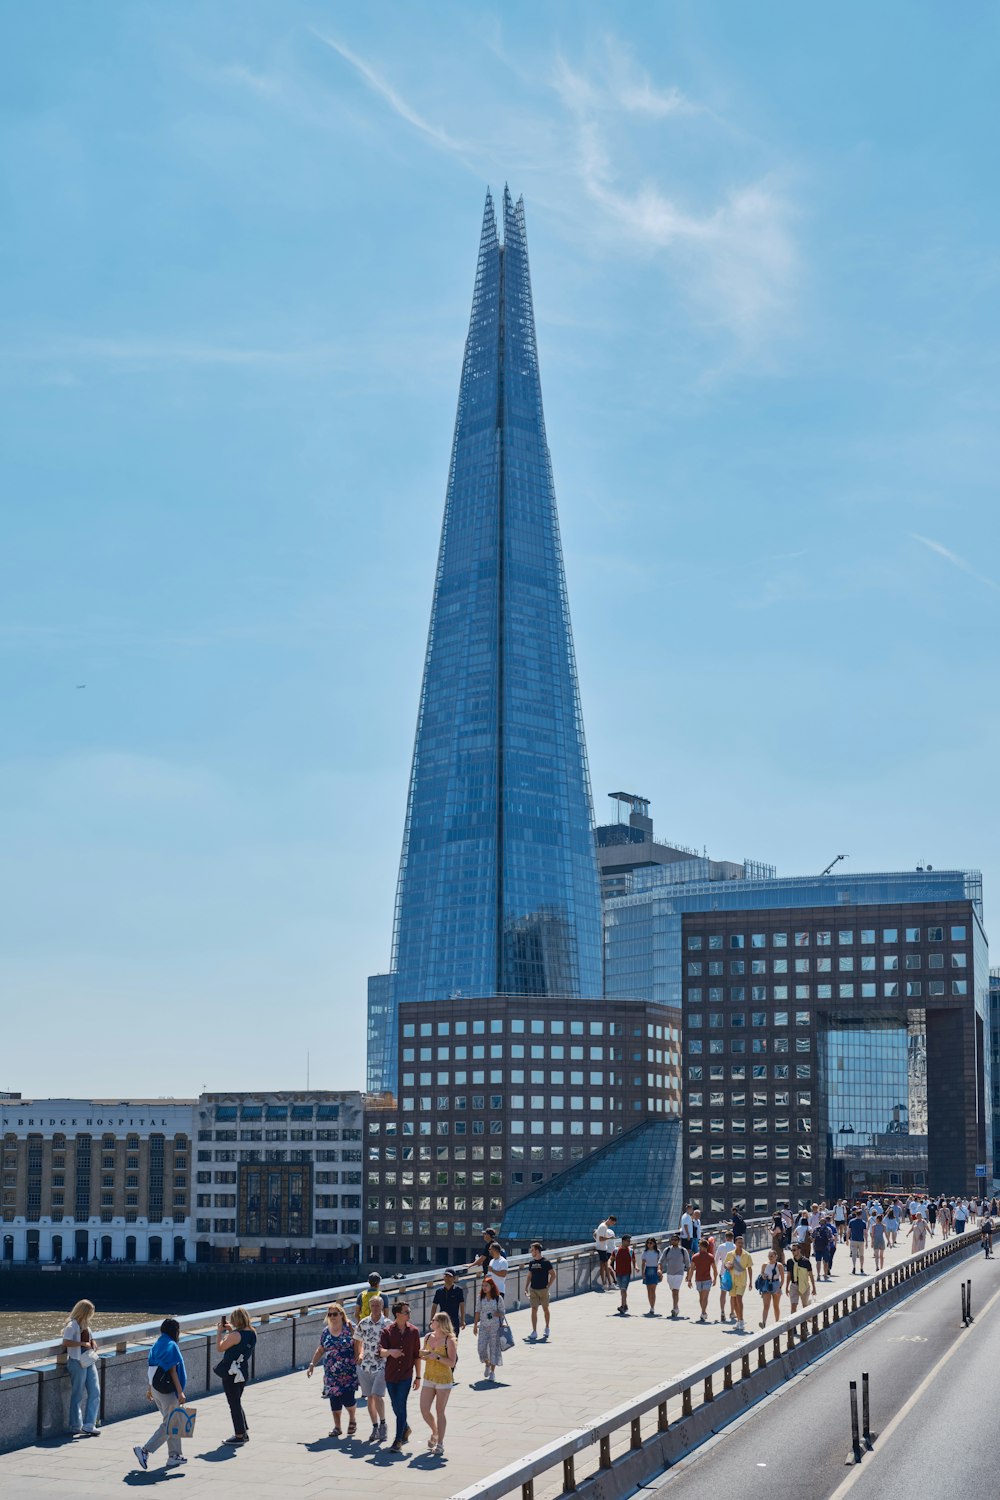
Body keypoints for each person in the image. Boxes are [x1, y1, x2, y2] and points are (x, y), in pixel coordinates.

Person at [133, 1317, 187, 1472]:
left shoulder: (157, 1344)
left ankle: (174, 1456)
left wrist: (149, 1388)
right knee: (170, 1424)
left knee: (173, 1421)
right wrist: (180, 1391)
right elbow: (172, 1370)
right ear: (175, 1331)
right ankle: (145, 1450)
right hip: (168, 1391)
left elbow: (152, 1368)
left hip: (157, 1389)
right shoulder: (171, 1345)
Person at [306, 1303, 358, 1438]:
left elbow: (359, 1342)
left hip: (348, 1372)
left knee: (348, 1400)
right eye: (330, 1315)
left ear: (341, 1314)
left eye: (335, 1314)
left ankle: (352, 1418)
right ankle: (337, 1427)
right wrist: (312, 1364)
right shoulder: (326, 1331)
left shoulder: (350, 1327)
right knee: (334, 1400)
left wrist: (360, 1357)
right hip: (331, 1373)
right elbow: (321, 1349)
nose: (332, 1317)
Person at [379, 1299, 421, 1451]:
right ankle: (406, 1428)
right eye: (406, 1312)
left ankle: (398, 1440)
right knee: (395, 1405)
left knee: (401, 1405)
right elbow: (381, 1351)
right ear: (398, 1314)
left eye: (409, 1312)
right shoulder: (387, 1331)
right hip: (390, 1375)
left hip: (406, 1375)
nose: (409, 1314)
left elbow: (417, 1355)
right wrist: (391, 1352)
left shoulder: (414, 1332)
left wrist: (418, 1377)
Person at [416, 1313, 457, 1458]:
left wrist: (437, 1357)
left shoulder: (449, 1340)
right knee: (424, 1409)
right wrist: (423, 1355)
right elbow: (424, 1356)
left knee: (440, 1411)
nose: (431, 1322)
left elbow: (452, 1362)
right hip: (429, 1376)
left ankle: (440, 1444)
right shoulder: (428, 1337)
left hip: (443, 1379)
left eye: (433, 1320)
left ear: (439, 1323)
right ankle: (435, 1431)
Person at [215, 1306, 256, 1445]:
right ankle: (243, 1431)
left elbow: (220, 1348)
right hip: (243, 1371)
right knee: (236, 1401)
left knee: (234, 1403)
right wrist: (231, 1331)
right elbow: (240, 1342)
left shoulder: (234, 1335)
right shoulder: (252, 1333)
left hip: (231, 1373)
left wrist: (219, 1332)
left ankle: (239, 1435)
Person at [62, 1298, 100, 1437]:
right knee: (77, 1393)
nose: (91, 1314)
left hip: (88, 1360)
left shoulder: (85, 1325)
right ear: (84, 1312)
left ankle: (90, 1424)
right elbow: (65, 1342)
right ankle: (76, 1425)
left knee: (95, 1391)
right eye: (90, 1312)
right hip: (77, 1361)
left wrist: (93, 1343)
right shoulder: (72, 1325)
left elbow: (90, 1337)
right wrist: (83, 1344)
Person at [355, 1295, 389, 1443]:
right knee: (369, 1397)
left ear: (382, 1306)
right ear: (369, 1307)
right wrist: (359, 1355)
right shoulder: (363, 1323)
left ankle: (383, 1423)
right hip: (365, 1365)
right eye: (373, 1306)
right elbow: (357, 1340)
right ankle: (374, 1426)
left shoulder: (388, 1324)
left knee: (377, 1395)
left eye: (378, 1305)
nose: (375, 1308)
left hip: (381, 1364)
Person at [474, 1276, 505, 1382]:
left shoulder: (498, 1298)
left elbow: (502, 1312)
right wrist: (475, 1326)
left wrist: (498, 1314)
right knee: (481, 1349)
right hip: (483, 1326)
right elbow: (477, 1311)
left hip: (495, 1327)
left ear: (491, 1286)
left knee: (493, 1349)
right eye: (483, 1286)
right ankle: (487, 1364)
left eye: (486, 1286)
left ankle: (492, 1372)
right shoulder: (480, 1298)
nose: (484, 1288)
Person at [723, 1236, 753, 1334]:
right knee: (734, 1300)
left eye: (742, 1243)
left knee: (739, 1298)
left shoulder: (747, 1255)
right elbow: (725, 1264)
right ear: (735, 1243)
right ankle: (738, 1319)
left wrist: (751, 1282)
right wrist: (728, 1266)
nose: (740, 1245)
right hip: (732, 1280)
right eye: (739, 1243)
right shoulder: (730, 1254)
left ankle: (741, 1320)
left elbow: (749, 1268)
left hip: (742, 1280)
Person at [526, 1243, 555, 1340]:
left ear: (537, 1251)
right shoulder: (531, 1263)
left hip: (543, 1290)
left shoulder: (546, 1262)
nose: (531, 1251)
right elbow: (529, 1275)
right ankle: (534, 1331)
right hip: (533, 1289)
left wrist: (548, 1286)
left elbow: (553, 1275)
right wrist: (526, 1287)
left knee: (545, 1309)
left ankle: (547, 1327)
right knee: (534, 1309)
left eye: (532, 1250)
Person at [660, 1233, 691, 1319]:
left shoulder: (683, 1250)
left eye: (675, 1240)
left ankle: (675, 1308)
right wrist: (659, 1269)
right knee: (672, 1290)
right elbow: (661, 1261)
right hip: (669, 1273)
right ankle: (676, 1307)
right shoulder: (667, 1250)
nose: (673, 1241)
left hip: (679, 1273)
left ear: (678, 1241)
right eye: (672, 1240)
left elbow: (688, 1264)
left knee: (675, 1290)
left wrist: (688, 1275)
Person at [687, 1237, 716, 1323]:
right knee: (703, 1297)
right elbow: (715, 1269)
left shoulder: (695, 1256)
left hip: (699, 1279)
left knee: (703, 1297)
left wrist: (689, 1280)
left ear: (702, 1246)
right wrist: (715, 1279)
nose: (699, 1247)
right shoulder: (710, 1256)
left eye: (699, 1246)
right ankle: (703, 1311)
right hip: (706, 1279)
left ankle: (703, 1312)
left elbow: (691, 1269)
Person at [431, 1270, 466, 1340]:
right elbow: (434, 1306)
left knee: (453, 1340)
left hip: (454, 1319)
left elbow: (462, 1305)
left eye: (450, 1276)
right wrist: (432, 1320)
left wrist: (462, 1320)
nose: (447, 1278)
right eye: (446, 1276)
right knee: (442, 1341)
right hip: (442, 1320)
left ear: (454, 1278)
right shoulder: (439, 1291)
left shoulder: (458, 1290)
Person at [757, 1249, 784, 1328]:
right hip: (766, 1284)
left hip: (776, 1284)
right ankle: (763, 1323)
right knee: (766, 1305)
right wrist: (763, 1275)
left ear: (776, 1256)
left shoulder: (779, 1265)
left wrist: (779, 1288)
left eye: (772, 1256)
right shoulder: (765, 1264)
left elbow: (782, 1279)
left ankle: (777, 1322)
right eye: (769, 1256)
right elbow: (761, 1272)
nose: (770, 1257)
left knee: (776, 1305)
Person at [785, 1244, 816, 1311]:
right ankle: (793, 1321)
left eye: (794, 1250)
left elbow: (811, 1275)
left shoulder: (806, 1261)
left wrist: (814, 1288)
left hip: (804, 1285)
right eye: (791, 1250)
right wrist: (787, 1287)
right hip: (794, 1285)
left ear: (799, 1250)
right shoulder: (789, 1262)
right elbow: (789, 1275)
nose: (793, 1252)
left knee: (805, 1306)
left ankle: (805, 1321)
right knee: (793, 1305)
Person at [715, 1228, 736, 1323]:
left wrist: (715, 1272)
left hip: (723, 1273)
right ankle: (732, 1312)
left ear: (725, 1237)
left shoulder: (721, 1246)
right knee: (733, 1294)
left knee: (723, 1293)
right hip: (733, 1273)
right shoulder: (735, 1247)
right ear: (732, 1238)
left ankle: (722, 1311)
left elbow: (715, 1260)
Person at [638, 1237, 663, 1315]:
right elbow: (643, 1263)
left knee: (653, 1289)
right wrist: (642, 1273)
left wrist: (660, 1271)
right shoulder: (645, 1252)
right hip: (648, 1270)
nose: (649, 1244)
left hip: (655, 1270)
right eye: (648, 1243)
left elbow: (660, 1262)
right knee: (649, 1290)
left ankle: (652, 1306)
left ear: (654, 1243)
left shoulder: (658, 1252)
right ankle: (651, 1306)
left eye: (651, 1243)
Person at [594, 1215, 618, 1289]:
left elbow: (597, 1236)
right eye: (613, 1223)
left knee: (603, 1266)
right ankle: (610, 1284)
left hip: (603, 1248)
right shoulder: (603, 1227)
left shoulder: (603, 1226)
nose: (612, 1225)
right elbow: (601, 1239)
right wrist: (610, 1238)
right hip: (602, 1248)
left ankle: (605, 1284)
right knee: (606, 1266)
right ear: (610, 1220)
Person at [813, 1217, 836, 1282]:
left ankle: (818, 1275)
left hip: (817, 1247)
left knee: (818, 1262)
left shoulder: (816, 1229)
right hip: (826, 1247)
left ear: (819, 1223)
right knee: (825, 1262)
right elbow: (831, 1238)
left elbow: (812, 1237)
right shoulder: (828, 1229)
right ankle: (825, 1274)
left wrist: (816, 1242)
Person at [847, 1207, 868, 1273]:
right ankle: (861, 1267)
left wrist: (847, 1239)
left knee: (854, 1254)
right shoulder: (863, 1223)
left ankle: (854, 1267)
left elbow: (849, 1231)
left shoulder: (851, 1221)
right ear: (861, 1214)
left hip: (853, 1239)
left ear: (855, 1214)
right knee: (861, 1255)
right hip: (861, 1240)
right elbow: (865, 1233)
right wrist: (867, 1241)